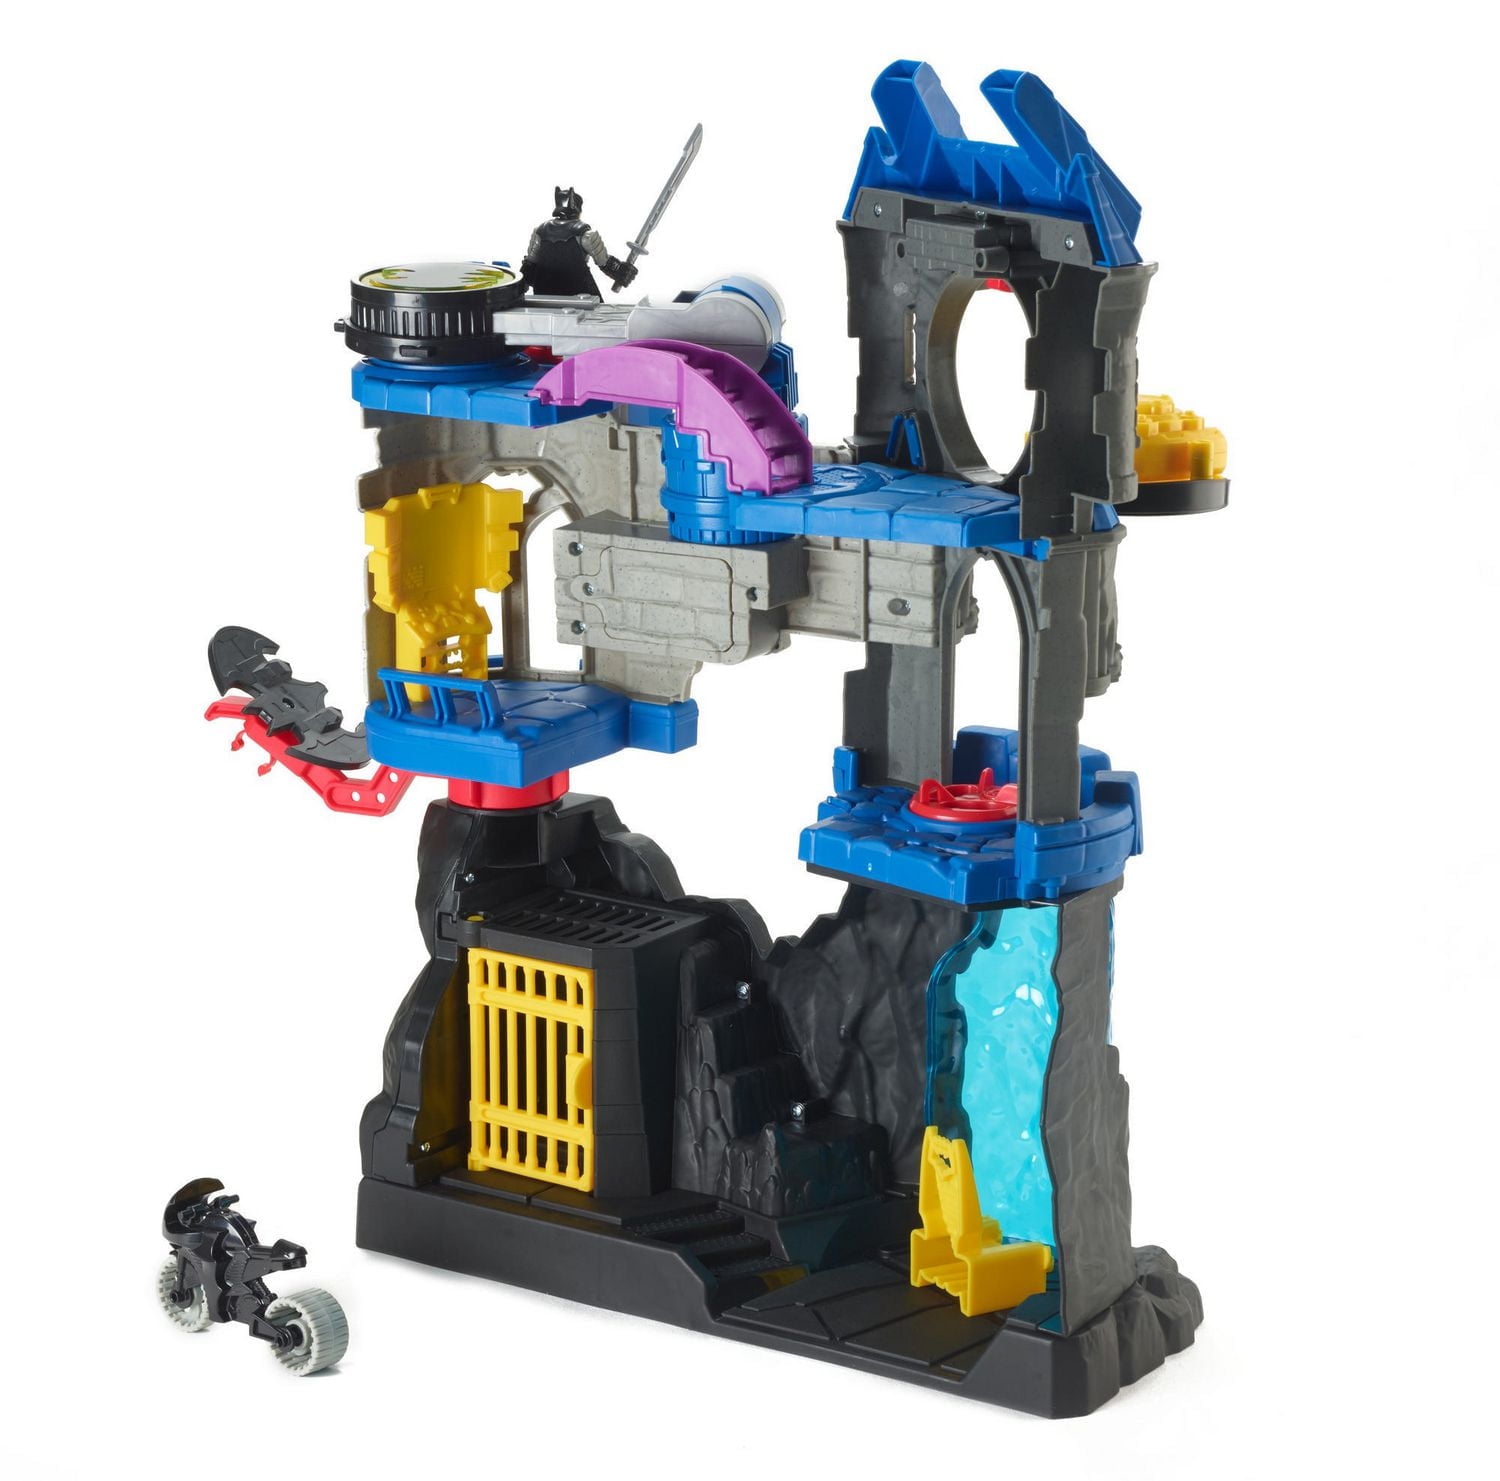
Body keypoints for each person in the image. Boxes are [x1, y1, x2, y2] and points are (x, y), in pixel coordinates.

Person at [521, 187, 639, 296]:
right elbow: (605, 263)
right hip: (579, 294)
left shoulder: (539, 231)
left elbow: (529, 266)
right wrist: (622, 271)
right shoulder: (586, 235)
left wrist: (520, 287)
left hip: (544, 294)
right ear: (578, 208)